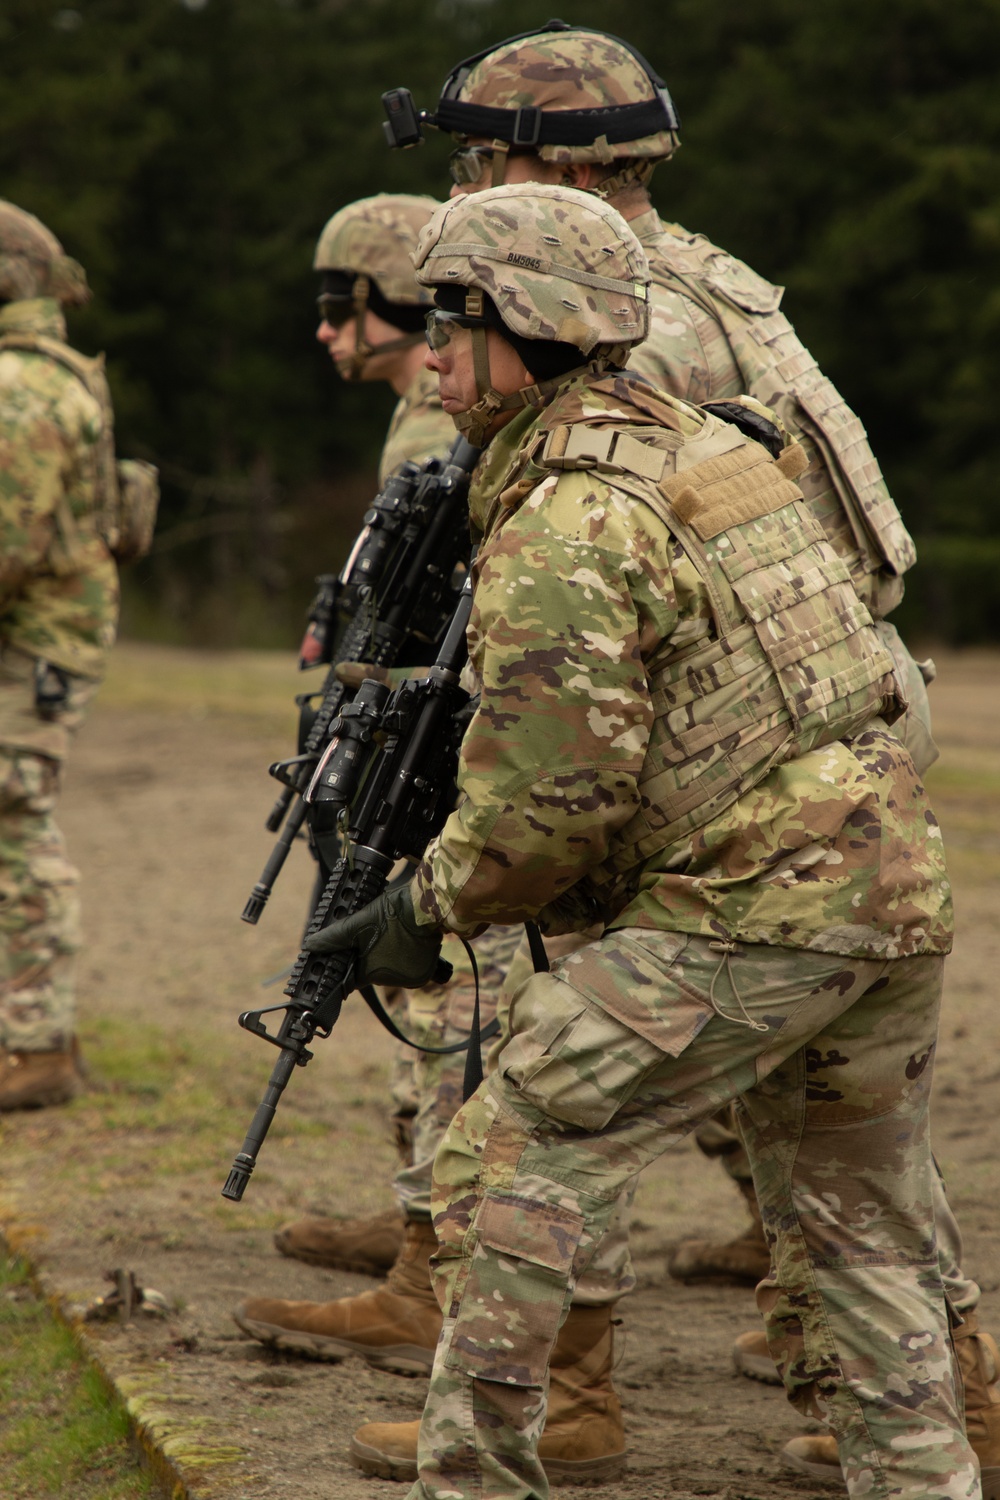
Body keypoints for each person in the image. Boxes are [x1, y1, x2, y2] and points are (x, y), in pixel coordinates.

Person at [292, 181, 979, 1500]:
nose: (430, 353)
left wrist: (422, 911)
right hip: (890, 891)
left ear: (530, 324)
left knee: (522, 1127)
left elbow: (551, 810)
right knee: (862, 1228)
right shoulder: (701, 442)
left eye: (455, 317)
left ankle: (480, 1473)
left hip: (760, 908)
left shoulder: (566, 514)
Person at [0, 201, 157, 1112]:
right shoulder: (39, 373)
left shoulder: (21, 387)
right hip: (41, 638)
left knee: (16, 830)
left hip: (31, 645)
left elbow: (6, 544)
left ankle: (36, 1045)